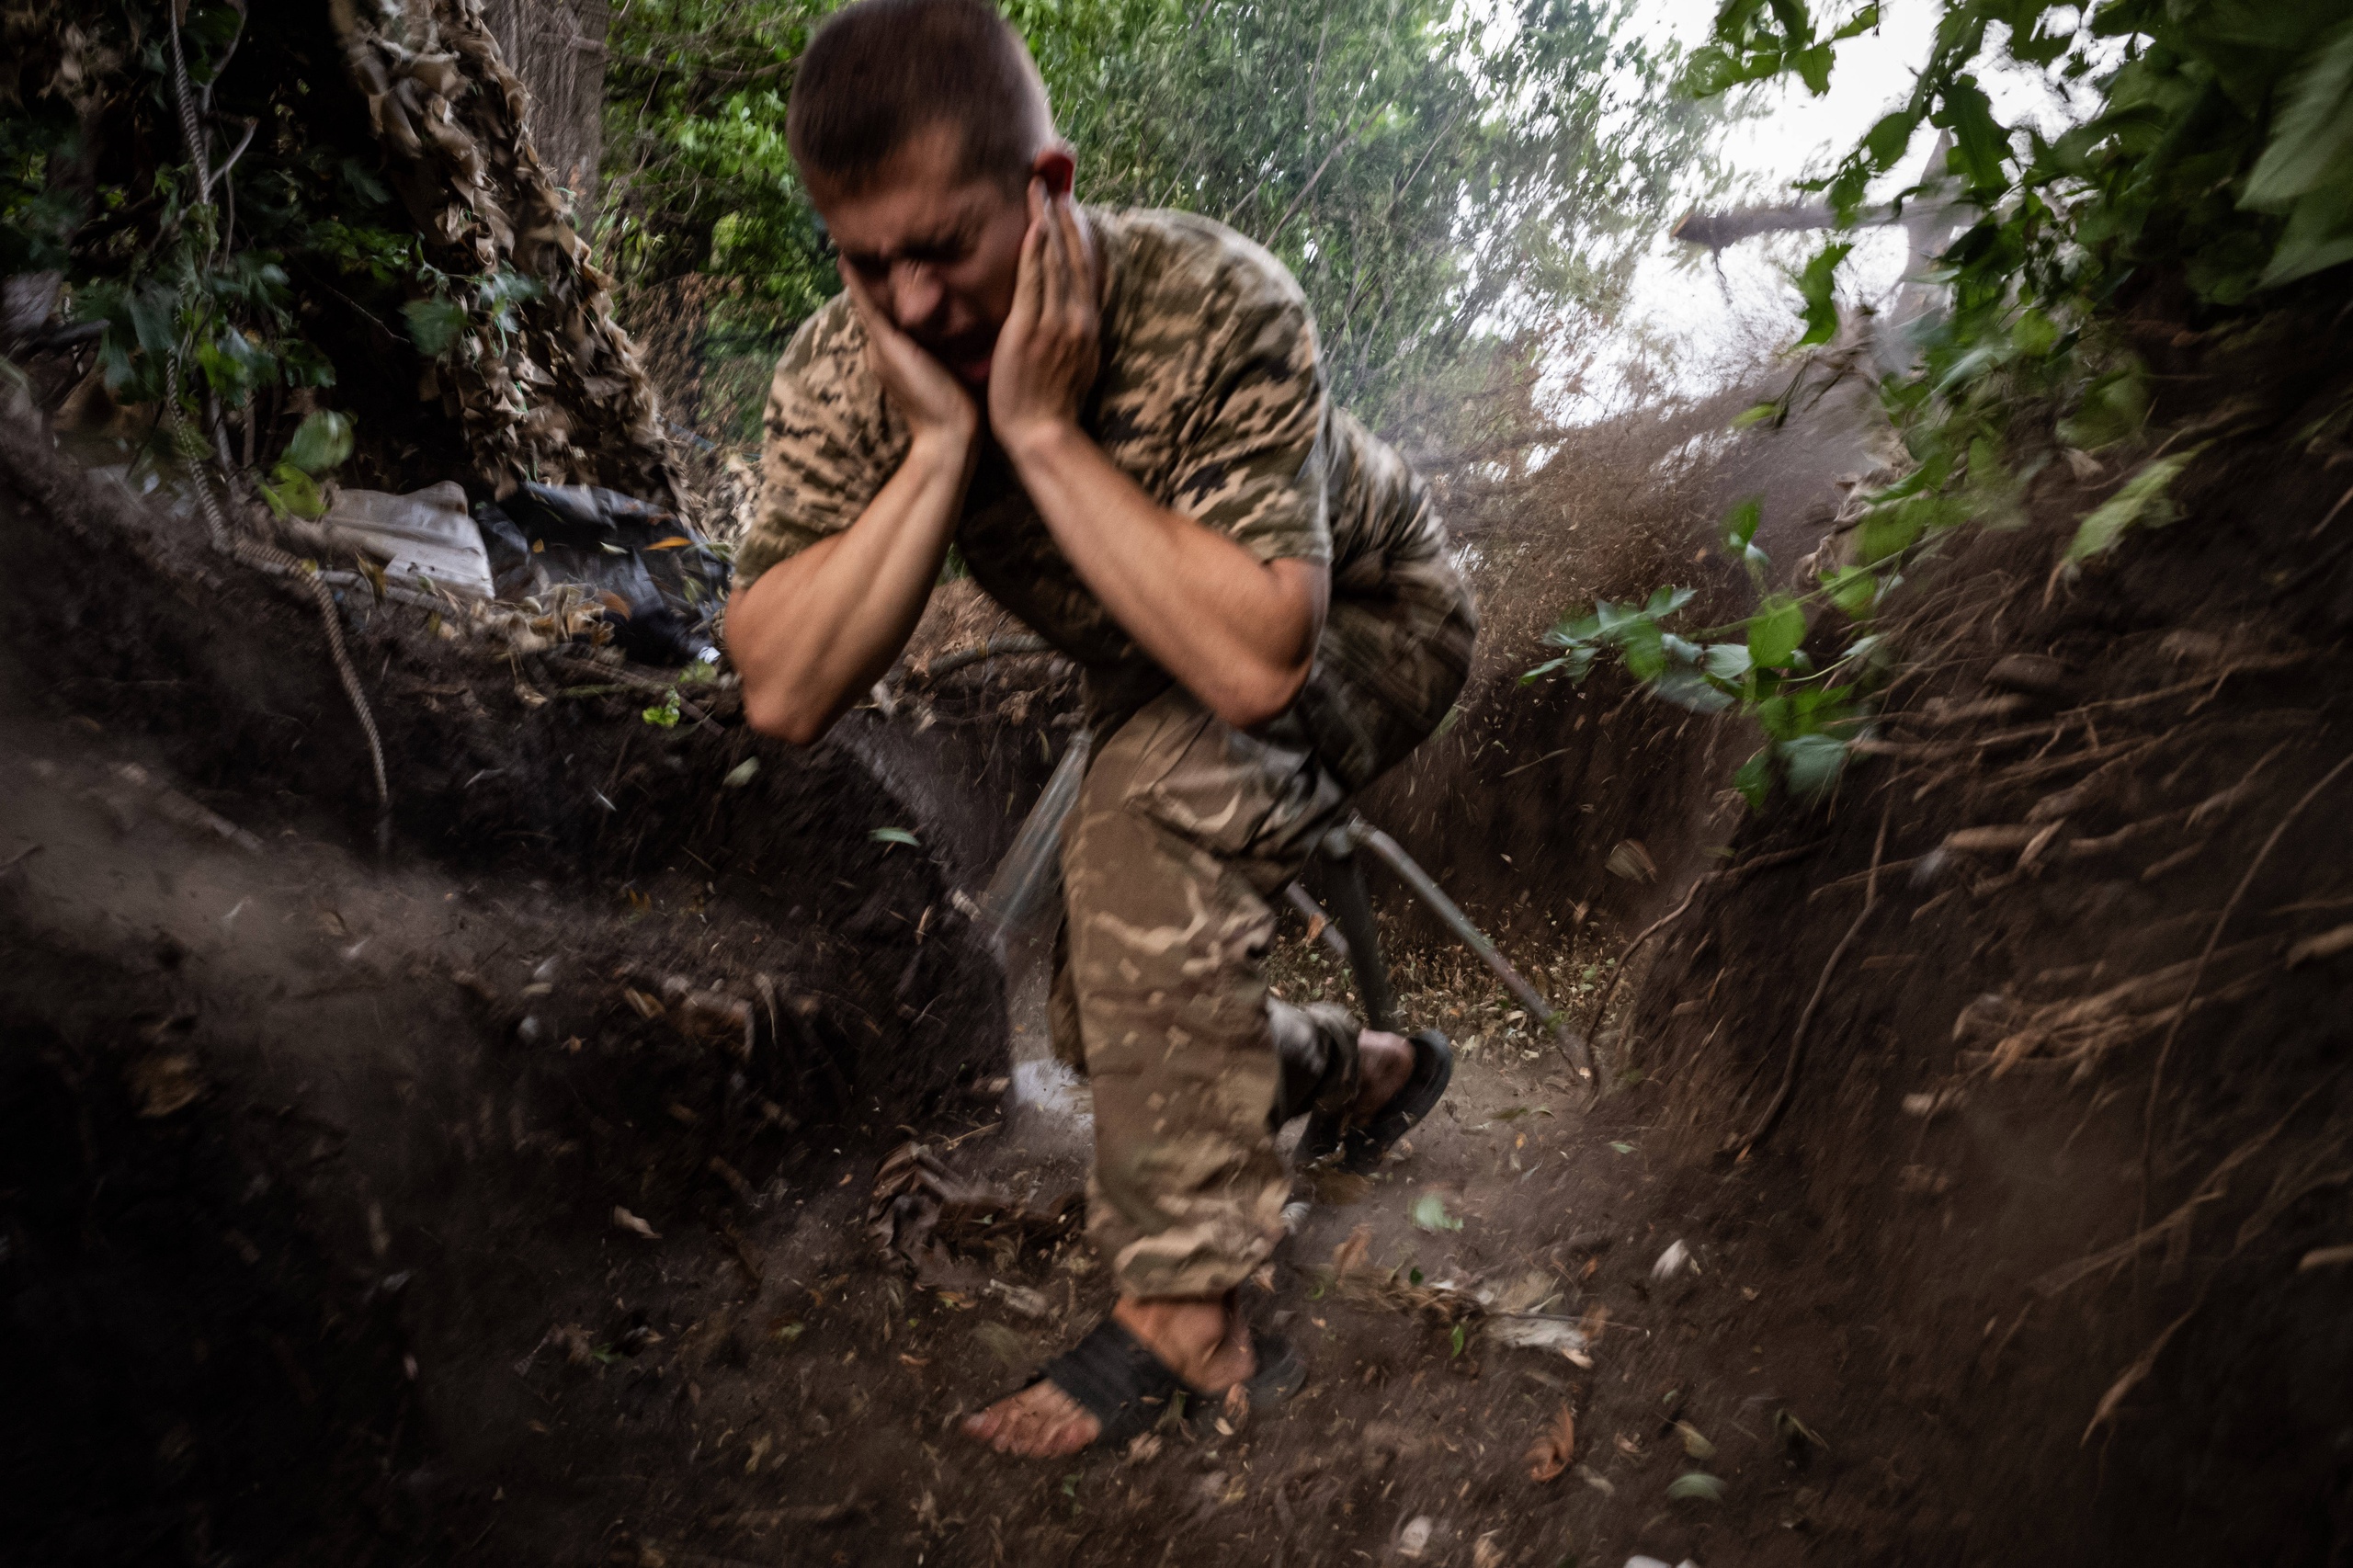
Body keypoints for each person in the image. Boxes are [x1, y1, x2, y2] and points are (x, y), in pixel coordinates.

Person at [725, 0, 1477, 1459]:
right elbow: (783, 684)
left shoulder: (1218, 300)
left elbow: (1260, 659)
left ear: (1046, 185)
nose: (916, 299)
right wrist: (946, 444)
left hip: (1372, 615)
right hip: (1156, 652)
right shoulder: (853, 361)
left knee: (1141, 823)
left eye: (947, 249)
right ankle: (1363, 1068)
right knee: (1109, 1016)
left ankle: (1187, 1315)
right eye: (868, 258)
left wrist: (1049, 434)